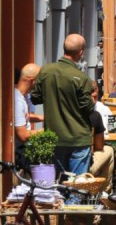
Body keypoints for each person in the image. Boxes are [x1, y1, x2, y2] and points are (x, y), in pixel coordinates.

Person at [32, 34, 96, 176]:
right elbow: (88, 108)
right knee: (77, 188)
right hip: (78, 139)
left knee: (57, 186)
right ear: (81, 52)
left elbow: (35, 98)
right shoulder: (82, 78)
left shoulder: (45, 71)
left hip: (54, 137)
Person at [13, 63, 40, 166]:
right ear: (32, 81)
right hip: (21, 155)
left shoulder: (21, 97)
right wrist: (47, 130)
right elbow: (23, 135)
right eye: (39, 81)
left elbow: (25, 118)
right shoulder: (18, 100)